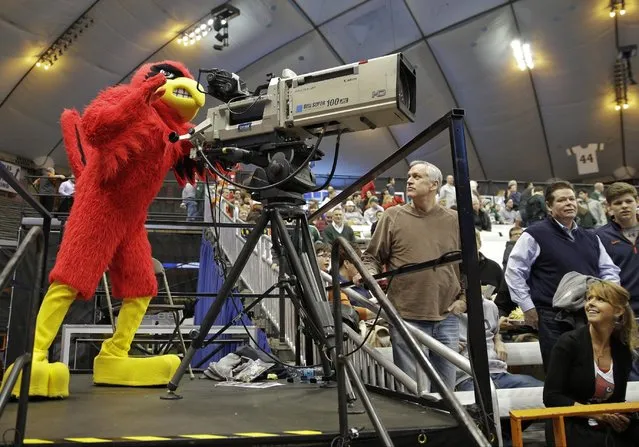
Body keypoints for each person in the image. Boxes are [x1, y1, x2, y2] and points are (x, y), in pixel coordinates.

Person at [357, 160, 465, 389]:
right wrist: (369, 276)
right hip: (406, 316)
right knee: (412, 390)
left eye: (417, 176)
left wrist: (463, 301)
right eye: (409, 176)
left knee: (447, 391)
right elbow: (372, 258)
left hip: (447, 316)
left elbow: (468, 265)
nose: (409, 180)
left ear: (434, 184)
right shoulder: (392, 216)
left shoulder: (454, 220)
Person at [505, 181, 621, 369]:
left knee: (591, 371)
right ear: (549, 206)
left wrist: (610, 299)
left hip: (590, 314)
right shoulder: (534, 234)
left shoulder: (591, 237)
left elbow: (609, 271)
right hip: (552, 317)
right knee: (559, 373)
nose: (569, 203)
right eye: (562, 200)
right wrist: (527, 307)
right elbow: (514, 272)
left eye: (572, 199)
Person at [543, 281, 639, 446]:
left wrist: (620, 419)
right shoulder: (568, 342)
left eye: (600, 299)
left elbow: (617, 400)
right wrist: (595, 414)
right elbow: (551, 397)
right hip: (571, 422)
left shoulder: (622, 350)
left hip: (604, 424)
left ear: (618, 310)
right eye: (589, 298)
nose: (591, 303)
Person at [596, 182, 639, 380]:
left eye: (629, 201)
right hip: (623, 313)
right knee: (628, 371)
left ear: (636, 203)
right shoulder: (599, 236)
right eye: (618, 202)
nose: (624, 206)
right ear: (609, 208)